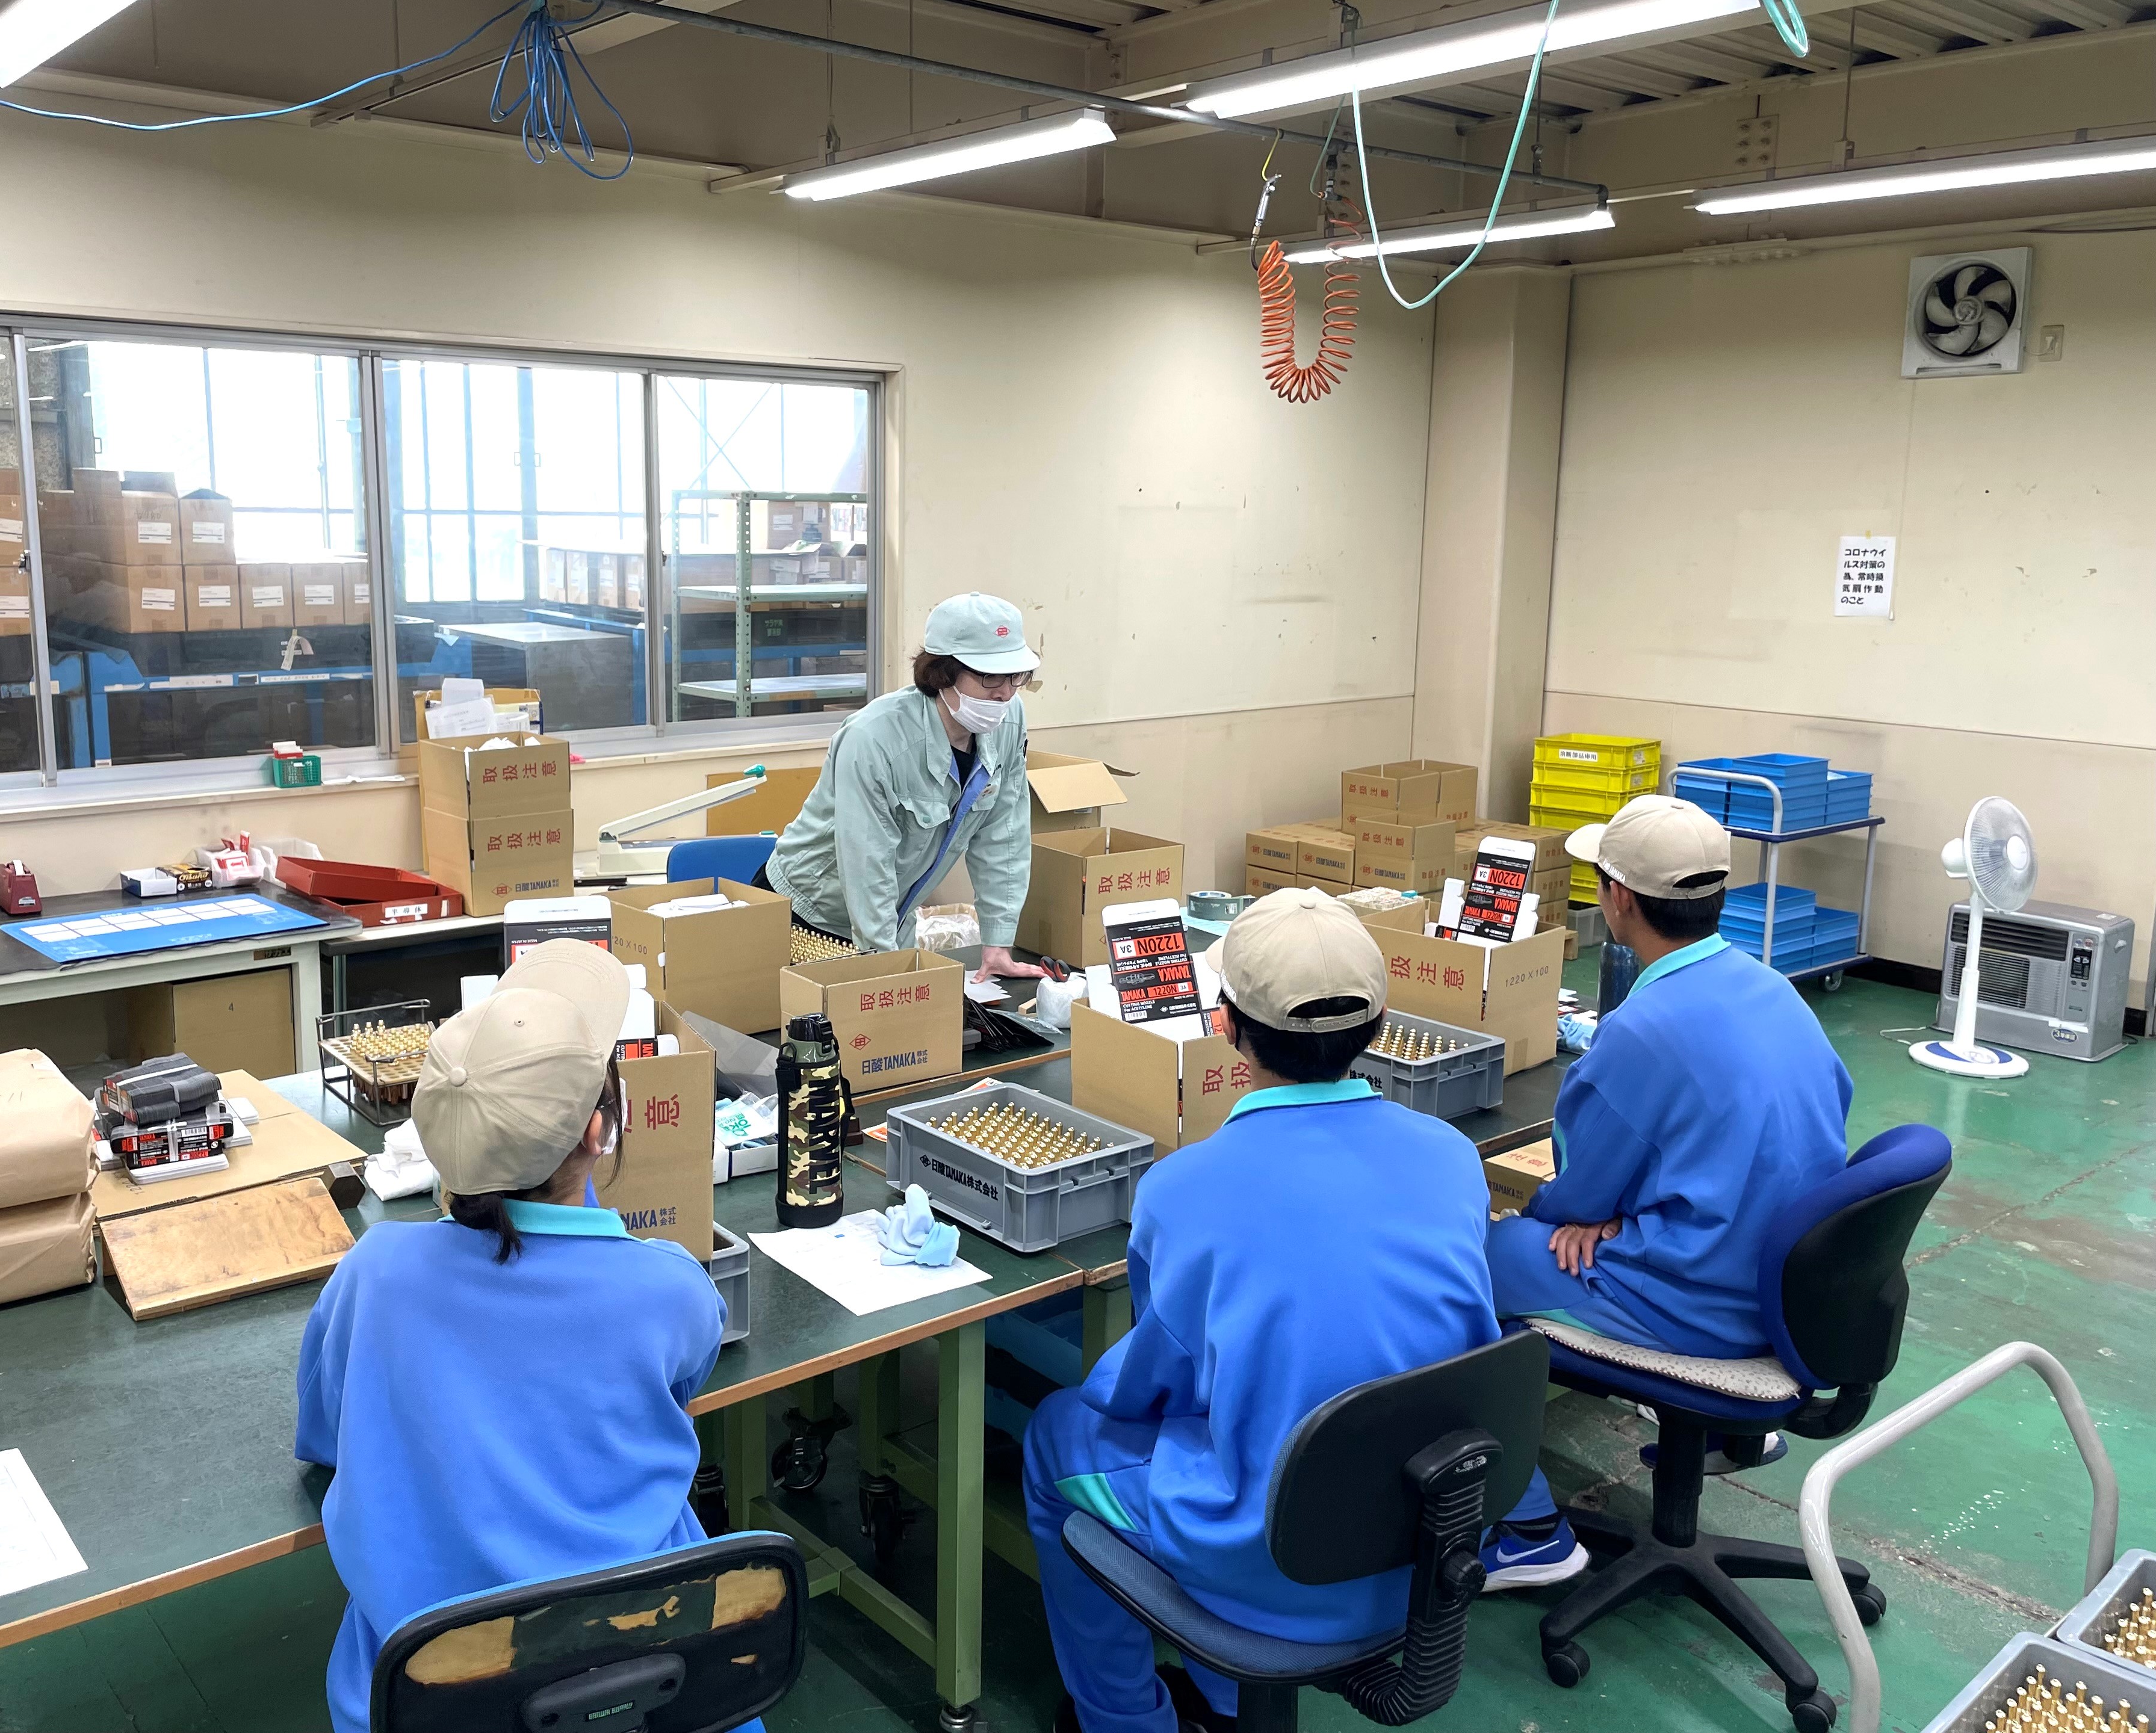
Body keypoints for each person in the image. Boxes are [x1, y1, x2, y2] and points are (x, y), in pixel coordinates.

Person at [1021, 889, 1501, 1733]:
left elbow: (1149, 1389)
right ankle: (1227, 1701)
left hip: (1271, 1561)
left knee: (1057, 1433)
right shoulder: (1453, 1158)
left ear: (1225, 1026)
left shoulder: (1182, 1188)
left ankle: (1125, 1720)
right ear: (1382, 1023)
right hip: (1429, 1542)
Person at [294, 941, 741, 1733]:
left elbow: (327, 1440)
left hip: (430, 1700)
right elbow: (682, 1374)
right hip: (646, 1677)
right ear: (599, 1132)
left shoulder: (375, 1272)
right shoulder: (666, 1288)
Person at [1476, 794, 1852, 1592]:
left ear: (1617, 898)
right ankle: (1729, 1433)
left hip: (1704, 1300)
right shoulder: (1772, 989)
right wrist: (1621, 1211)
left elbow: (1577, 1194)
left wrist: (1590, 1216)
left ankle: (1527, 1527)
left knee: (1468, 1266)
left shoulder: (1642, 1030)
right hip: (1793, 1293)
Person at [765, 592, 1045, 983]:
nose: (1005, 693)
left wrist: (998, 942)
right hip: (809, 914)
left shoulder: (1008, 721)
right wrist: (886, 970)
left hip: (893, 916)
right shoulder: (874, 739)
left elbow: (1005, 832)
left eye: (1016, 676)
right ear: (944, 672)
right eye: (990, 677)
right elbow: (867, 863)